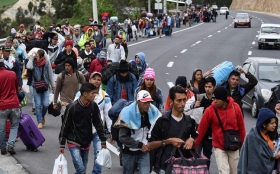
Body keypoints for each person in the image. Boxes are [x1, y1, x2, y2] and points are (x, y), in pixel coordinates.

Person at [195, 86, 246, 174]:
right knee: (224, 171)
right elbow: (201, 129)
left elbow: (241, 128)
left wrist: (243, 146)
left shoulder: (236, 108)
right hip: (219, 146)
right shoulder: (210, 110)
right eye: (214, 98)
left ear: (225, 99)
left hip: (234, 146)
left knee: (235, 172)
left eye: (218, 99)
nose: (215, 101)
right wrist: (194, 146)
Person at [59, 83, 107, 174]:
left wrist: (103, 140)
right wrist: (62, 143)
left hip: (86, 142)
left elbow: (98, 124)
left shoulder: (93, 106)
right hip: (73, 142)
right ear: (85, 94)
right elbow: (65, 125)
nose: (94, 96)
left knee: (82, 170)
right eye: (92, 93)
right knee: (81, 170)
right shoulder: (72, 107)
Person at [148, 86, 198, 173]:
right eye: (179, 100)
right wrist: (169, 141)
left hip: (184, 167)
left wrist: (192, 140)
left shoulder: (190, 120)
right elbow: (150, 145)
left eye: (184, 100)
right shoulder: (161, 121)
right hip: (164, 167)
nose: (182, 104)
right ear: (171, 102)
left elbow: (195, 142)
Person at [115, 90, 161, 174]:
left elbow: (158, 129)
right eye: (144, 102)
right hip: (129, 152)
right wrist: (140, 145)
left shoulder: (153, 112)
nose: (147, 105)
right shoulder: (127, 113)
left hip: (145, 152)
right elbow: (122, 137)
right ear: (138, 101)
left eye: (149, 102)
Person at [74, 72, 112, 174]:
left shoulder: (105, 96)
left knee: (99, 153)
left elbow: (108, 115)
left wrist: (111, 131)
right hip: (82, 130)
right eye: (94, 78)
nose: (96, 81)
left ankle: (96, 172)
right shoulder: (80, 94)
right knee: (82, 157)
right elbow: (74, 111)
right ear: (89, 80)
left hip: (97, 131)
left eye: (99, 79)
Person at [184, 76, 216, 168]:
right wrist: (193, 106)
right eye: (206, 87)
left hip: (210, 134)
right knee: (195, 155)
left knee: (207, 157)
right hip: (197, 132)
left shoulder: (217, 100)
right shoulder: (198, 97)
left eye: (209, 87)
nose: (207, 89)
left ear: (214, 87)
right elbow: (185, 108)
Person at [237, 108, 280, 174]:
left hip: (269, 171)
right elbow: (244, 157)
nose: (275, 125)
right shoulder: (251, 136)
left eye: (275, 122)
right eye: (272, 123)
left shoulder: (273, 136)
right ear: (264, 124)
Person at [26, 49, 55, 129]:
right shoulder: (33, 62)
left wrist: (53, 86)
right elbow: (28, 67)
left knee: (45, 104)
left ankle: (42, 116)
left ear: (42, 57)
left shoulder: (46, 63)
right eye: (36, 56)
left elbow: (50, 74)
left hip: (45, 85)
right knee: (38, 105)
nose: (37, 58)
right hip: (35, 85)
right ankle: (39, 122)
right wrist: (32, 58)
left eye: (38, 56)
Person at [0, 58, 20, 155]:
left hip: (2, 106)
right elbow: (16, 89)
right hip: (14, 104)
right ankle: (11, 145)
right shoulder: (12, 74)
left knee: (2, 128)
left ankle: (3, 148)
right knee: (14, 125)